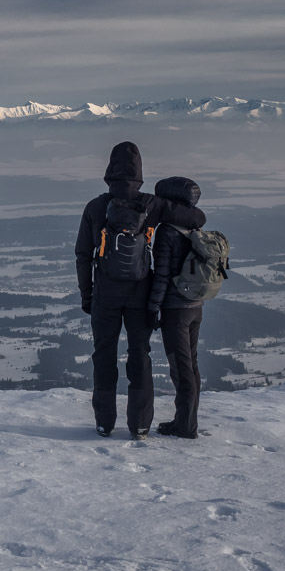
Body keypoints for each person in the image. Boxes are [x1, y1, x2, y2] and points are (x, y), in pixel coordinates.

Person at [75, 142, 206, 440]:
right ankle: (141, 425)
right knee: (140, 355)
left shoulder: (96, 207)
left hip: (105, 295)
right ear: (140, 174)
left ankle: (104, 423)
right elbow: (198, 219)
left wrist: (87, 294)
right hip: (141, 295)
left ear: (109, 172)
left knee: (104, 355)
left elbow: (83, 254)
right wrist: (168, 198)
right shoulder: (152, 204)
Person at [147, 176, 205, 439]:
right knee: (191, 367)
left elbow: (161, 275)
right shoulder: (194, 226)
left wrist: (152, 308)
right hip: (196, 307)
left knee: (181, 371)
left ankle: (185, 427)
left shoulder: (168, 231)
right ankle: (187, 422)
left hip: (176, 311)